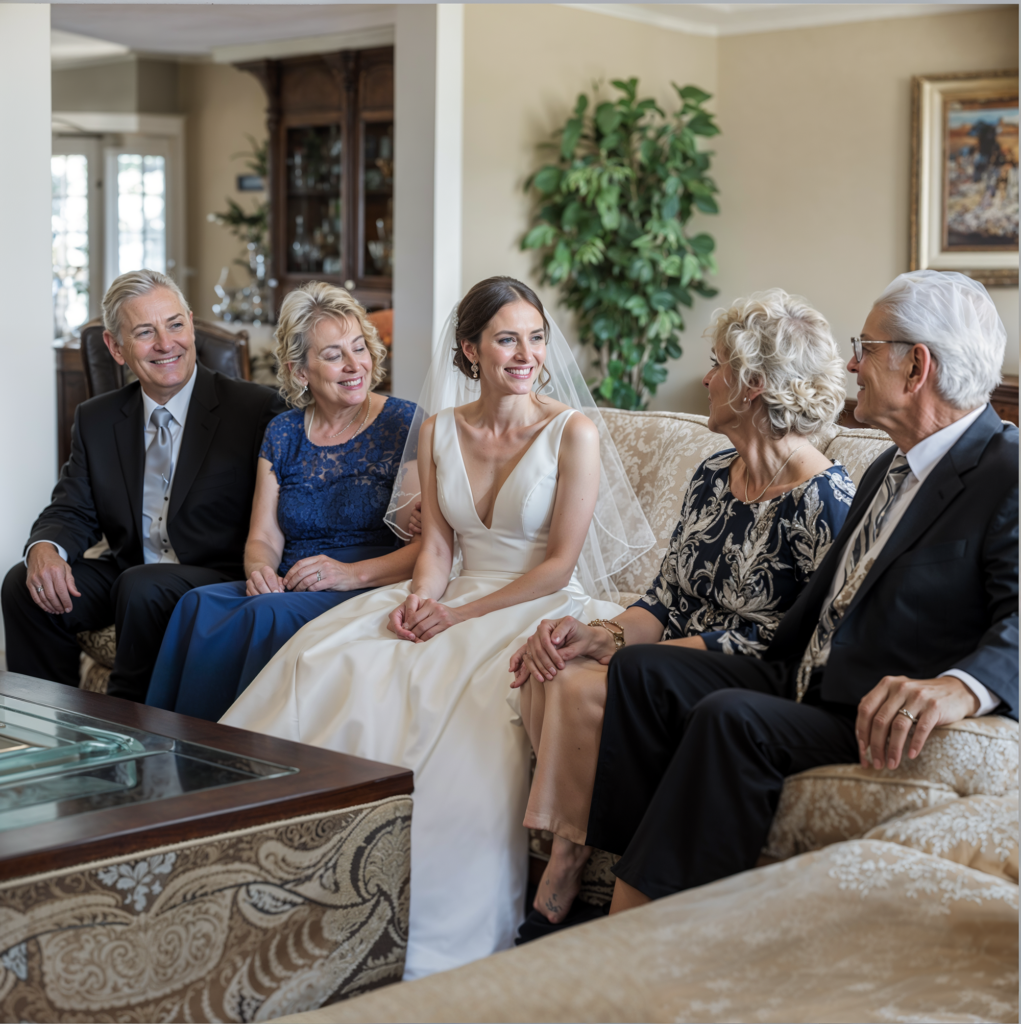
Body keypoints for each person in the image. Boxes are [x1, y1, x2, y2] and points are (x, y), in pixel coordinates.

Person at [220, 276, 654, 979]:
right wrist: (420, 599)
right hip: (453, 589)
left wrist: (456, 614)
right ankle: (281, 878)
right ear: (470, 349)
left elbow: (556, 566)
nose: (526, 354)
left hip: (535, 601)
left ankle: (430, 925)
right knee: (333, 659)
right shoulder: (437, 431)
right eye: (507, 339)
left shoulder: (572, 430)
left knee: (466, 706)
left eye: (536, 338)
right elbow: (441, 549)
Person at [582, 269, 1018, 918]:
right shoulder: (888, 468)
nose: (849, 364)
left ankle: (648, 931)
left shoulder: (1005, 469)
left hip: (862, 704)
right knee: (642, 670)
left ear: (914, 367)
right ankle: (619, 885)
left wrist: (960, 685)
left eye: (864, 348)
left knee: (730, 718)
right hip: (802, 672)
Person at [510, 289, 855, 926]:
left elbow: (793, 645)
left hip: (736, 680)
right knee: (558, 663)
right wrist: (600, 634)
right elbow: (666, 600)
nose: (707, 376)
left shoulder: (827, 500)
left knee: (584, 690)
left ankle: (564, 871)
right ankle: (569, 865)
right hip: (669, 664)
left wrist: (642, 656)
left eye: (719, 363)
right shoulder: (712, 474)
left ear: (752, 385)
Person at [2, 270, 286, 702]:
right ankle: (49, 724)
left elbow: (280, 515)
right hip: (130, 569)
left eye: (175, 324)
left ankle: (127, 731)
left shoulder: (255, 409)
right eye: (144, 332)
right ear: (116, 348)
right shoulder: (97, 418)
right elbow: (72, 508)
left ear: (190, 324)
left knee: (142, 585)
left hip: (218, 577)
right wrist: (45, 548)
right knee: (25, 583)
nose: (166, 344)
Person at [146, 283, 419, 721]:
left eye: (359, 348)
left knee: (266, 616)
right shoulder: (284, 431)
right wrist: (258, 571)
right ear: (299, 370)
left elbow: (428, 546)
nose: (355, 366)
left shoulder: (404, 422)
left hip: (365, 581)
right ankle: (166, 747)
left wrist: (348, 573)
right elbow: (263, 537)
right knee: (194, 604)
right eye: (333, 355)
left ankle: (231, 757)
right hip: (293, 579)